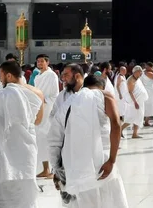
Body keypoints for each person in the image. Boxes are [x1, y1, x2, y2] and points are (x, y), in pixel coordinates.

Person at [49, 71, 128, 207]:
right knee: (109, 198)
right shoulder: (104, 96)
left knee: (85, 201)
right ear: (101, 86)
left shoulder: (68, 103)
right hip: (101, 159)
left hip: (74, 162)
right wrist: (112, 160)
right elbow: (116, 125)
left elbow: (54, 138)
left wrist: (56, 170)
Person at [0, 61, 44, 208]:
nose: (0, 79)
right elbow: (38, 121)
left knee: (3, 190)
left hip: (4, 150)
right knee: (25, 188)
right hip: (27, 148)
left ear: (9, 75)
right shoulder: (37, 93)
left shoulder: (2, 95)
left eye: (0, 75)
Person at [33, 54, 60, 179]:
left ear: (47, 62)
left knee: (50, 139)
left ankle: (54, 169)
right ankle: (46, 169)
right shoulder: (38, 76)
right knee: (40, 139)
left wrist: (44, 101)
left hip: (48, 110)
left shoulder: (51, 75)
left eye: (42, 61)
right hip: (39, 109)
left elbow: (54, 94)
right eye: (38, 61)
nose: (39, 63)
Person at [121, 66, 148, 139]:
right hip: (134, 102)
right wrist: (135, 102)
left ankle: (135, 134)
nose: (141, 73)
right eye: (140, 72)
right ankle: (120, 129)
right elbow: (130, 92)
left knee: (139, 117)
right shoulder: (131, 80)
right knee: (131, 117)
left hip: (139, 101)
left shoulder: (137, 79)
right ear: (136, 72)